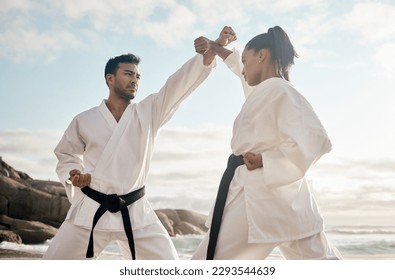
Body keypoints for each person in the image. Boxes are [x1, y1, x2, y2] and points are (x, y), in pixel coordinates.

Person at [42, 35, 220, 260]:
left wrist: (211, 51)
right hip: (91, 209)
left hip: (136, 212)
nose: (135, 80)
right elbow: (66, 153)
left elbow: (178, 85)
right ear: (110, 78)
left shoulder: (149, 113)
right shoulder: (84, 119)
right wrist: (74, 173)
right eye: (128, 74)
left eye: (137, 76)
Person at [192, 26, 342, 260]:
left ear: (261, 55)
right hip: (291, 202)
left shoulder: (279, 90)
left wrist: (268, 160)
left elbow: (316, 140)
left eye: (246, 60)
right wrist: (217, 48)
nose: (242, 69)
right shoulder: (265, 91)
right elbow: (239, 68)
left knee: (209, 263)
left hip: (256, 196)